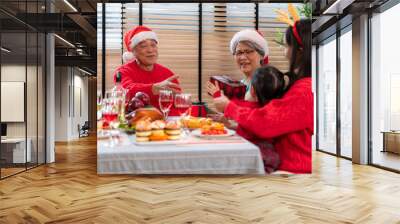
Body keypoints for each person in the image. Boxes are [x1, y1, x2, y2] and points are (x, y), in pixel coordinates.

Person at [213, 19, 313, 174]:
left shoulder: (302, 89)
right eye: (238, 52)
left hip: (290, 170)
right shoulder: (297, 83)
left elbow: (266, 121)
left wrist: (229, 107)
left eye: (287, 45)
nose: (284, 51)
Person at [113, 25, 181, 115]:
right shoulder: (122, 72)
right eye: (143, 46)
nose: (150, 50)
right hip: (134, 125)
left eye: (153, 45)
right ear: (133, 51)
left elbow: (179, 105)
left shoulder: (167, 74)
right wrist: (153, 89)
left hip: (163, 125)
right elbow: (125, 91)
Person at [206, 29, 269, 101]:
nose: (243, 57)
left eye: (248, 52)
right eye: (239, 53)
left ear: (261, 55)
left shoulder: (267, 83)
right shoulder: (239, 85)